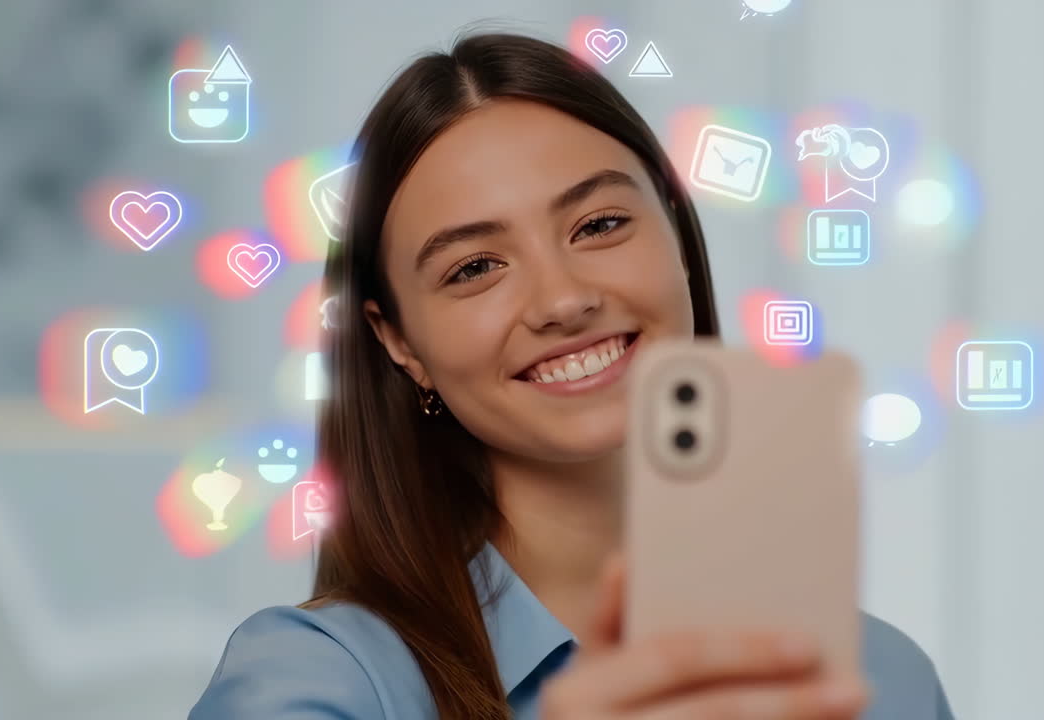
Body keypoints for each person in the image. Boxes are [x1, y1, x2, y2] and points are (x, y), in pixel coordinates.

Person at [189, 31, 955, 720]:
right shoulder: (313, 682)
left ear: (679, 239)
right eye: (475, 268)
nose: (563, 300)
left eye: (599, 225)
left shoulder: (882, 681)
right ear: (399, 343)